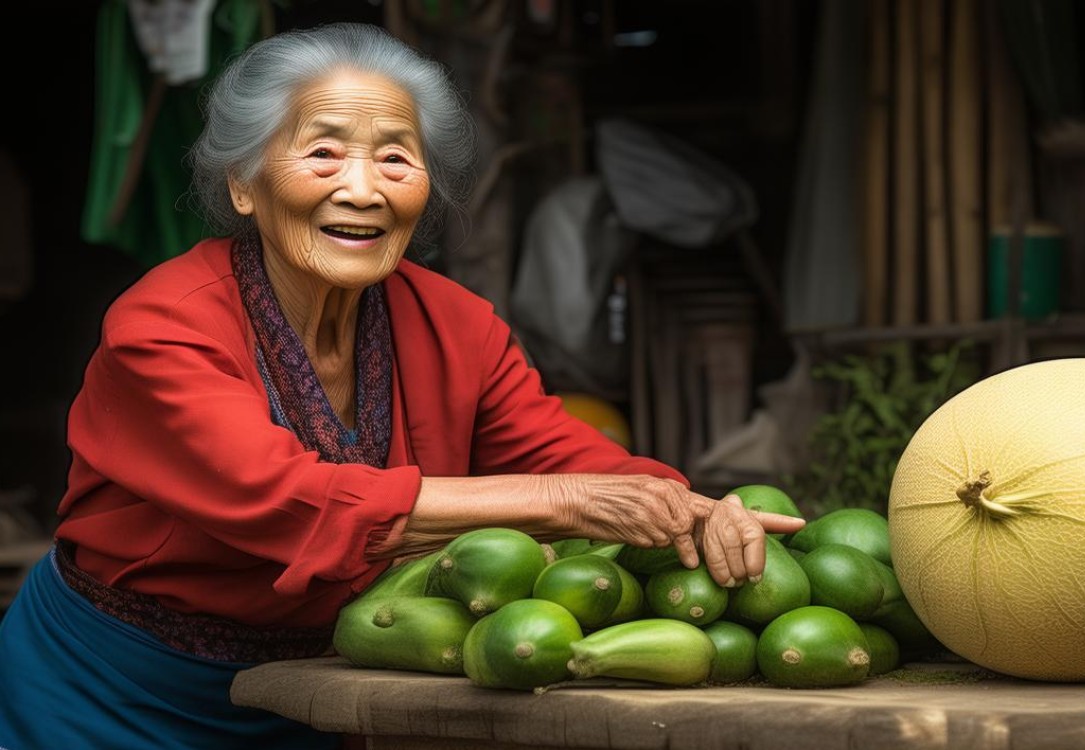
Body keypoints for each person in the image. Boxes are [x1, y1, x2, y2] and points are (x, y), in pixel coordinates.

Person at [0, 22, 803, 750]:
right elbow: (287, 499)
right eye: (323, 153)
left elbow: (568, 457)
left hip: (329, 693)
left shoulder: (456, 322)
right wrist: (567, 502)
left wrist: (691, 510)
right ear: (245, 186)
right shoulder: (162, 324)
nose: (363, 188)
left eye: (395, 155)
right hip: (109, 693)